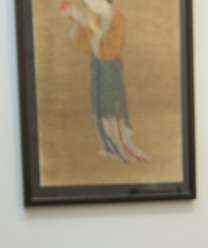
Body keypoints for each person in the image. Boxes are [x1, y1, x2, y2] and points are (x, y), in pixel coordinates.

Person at [60, 0, 149, 163]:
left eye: (93, 1)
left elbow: (112, 47)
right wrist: (75, 20)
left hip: (110, 68)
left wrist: (96, 31)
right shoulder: (98, 18)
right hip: (97, 67)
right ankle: (107, 147)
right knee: (99, 104)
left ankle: (120, 147)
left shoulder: (118, 18)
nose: (91, 6)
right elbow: (85, 46)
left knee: (111, 106)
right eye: (87, 3)